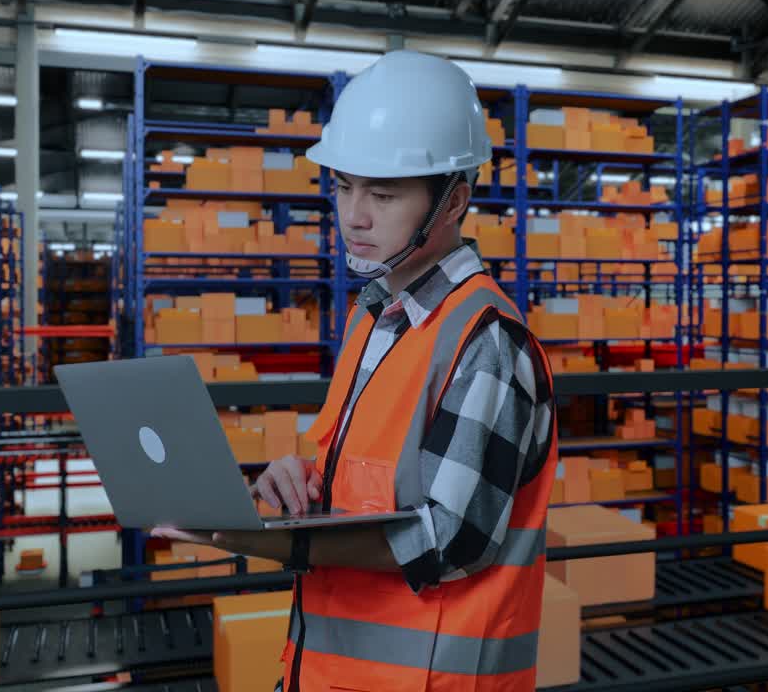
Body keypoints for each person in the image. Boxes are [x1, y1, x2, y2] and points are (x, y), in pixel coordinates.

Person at [152, 49, 559, 691]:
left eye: (383, 193)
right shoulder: (374, 317)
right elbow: (359, 480)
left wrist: (261, 538)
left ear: (453, 201)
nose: (353, 215)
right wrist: (297, 482)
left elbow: (444, 539)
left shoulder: (487, 343)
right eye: (343, 186)